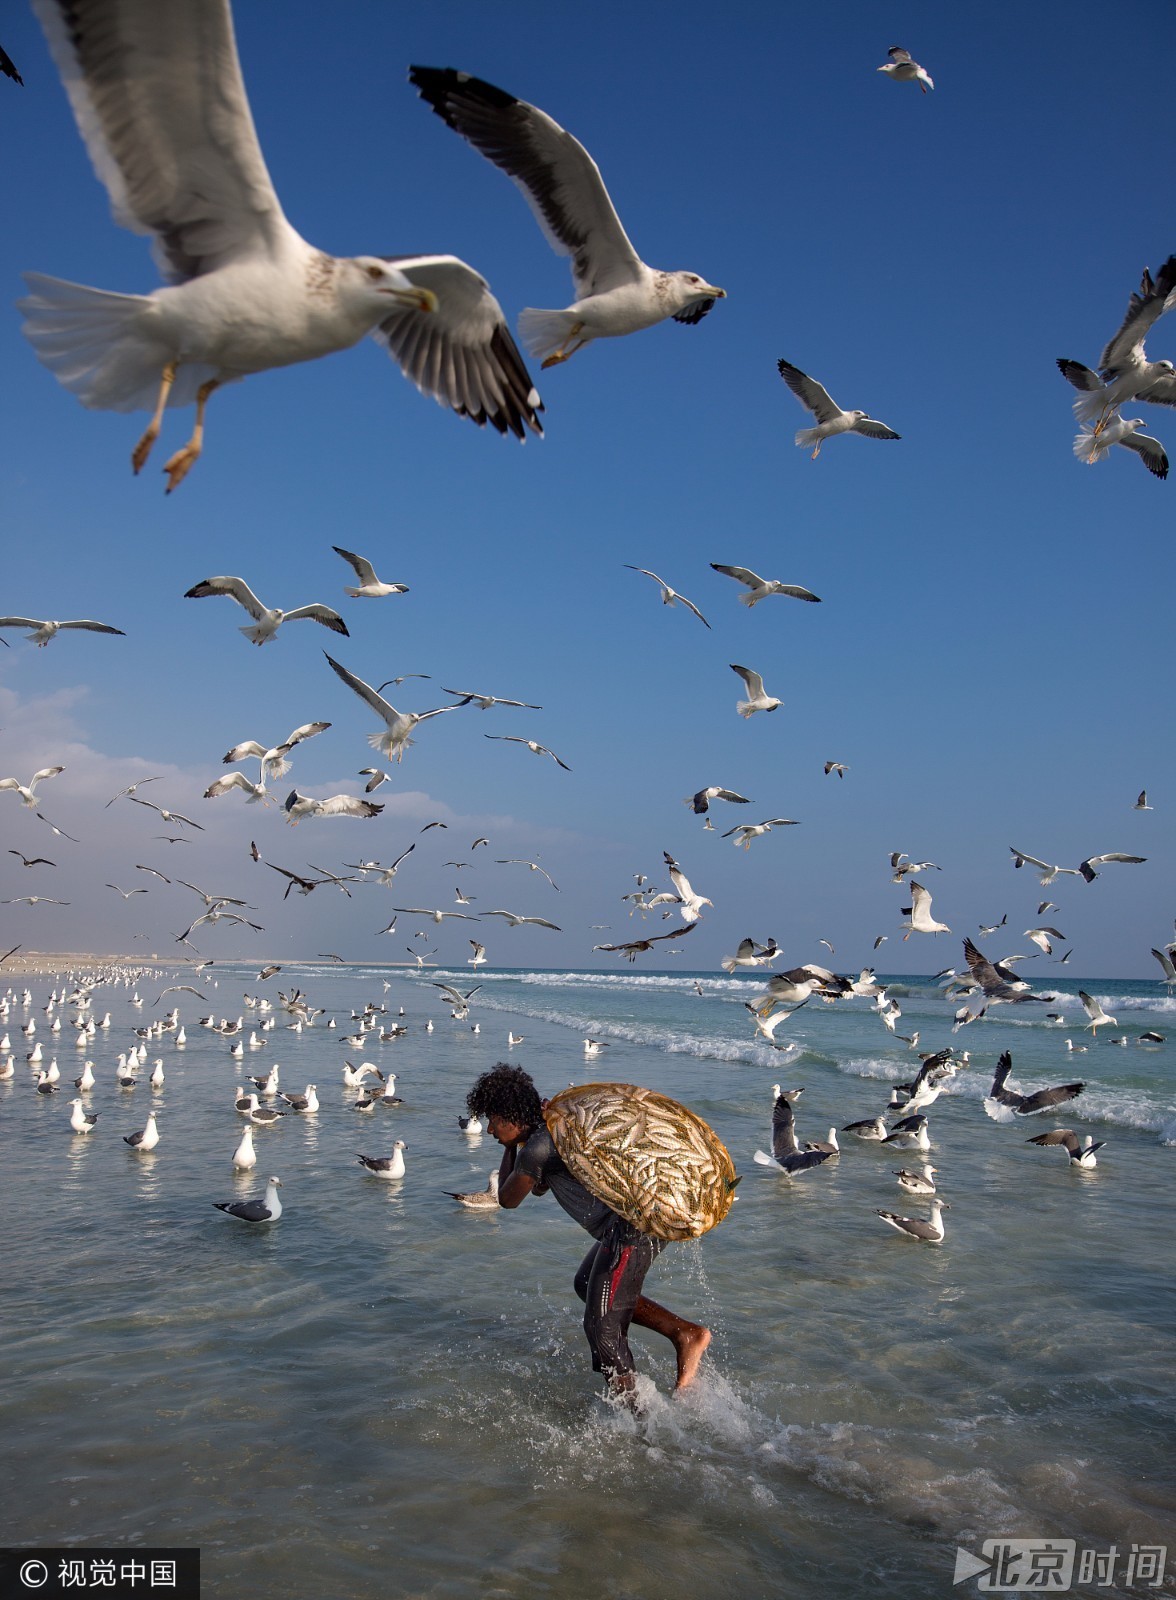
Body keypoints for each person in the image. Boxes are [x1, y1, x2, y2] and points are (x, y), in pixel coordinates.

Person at [466, 1062, 711, 1403]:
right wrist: (514, 1145)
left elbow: (507, 1200)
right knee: (587, 1284)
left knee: (601, 1327)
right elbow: (533, 1187)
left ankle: (640, 1418)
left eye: (493, 1121)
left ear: (510, 1118)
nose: (490, 1129)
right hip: (635, 1223)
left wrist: (511, 1147)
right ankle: (682, 1333)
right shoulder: (548, 1135)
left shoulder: (539, 1145)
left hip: (631, 1230)